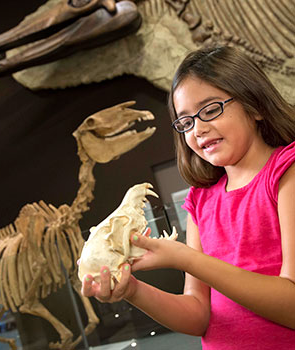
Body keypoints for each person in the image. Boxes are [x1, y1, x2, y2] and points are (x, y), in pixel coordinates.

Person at [81, 46, 295, 349]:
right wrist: (132, 291)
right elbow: (198, 316)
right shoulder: (200, 201)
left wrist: (187, 259)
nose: (198, 129)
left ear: (255, 105)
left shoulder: (288, 172)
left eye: (210, 110)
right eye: (185, 122)